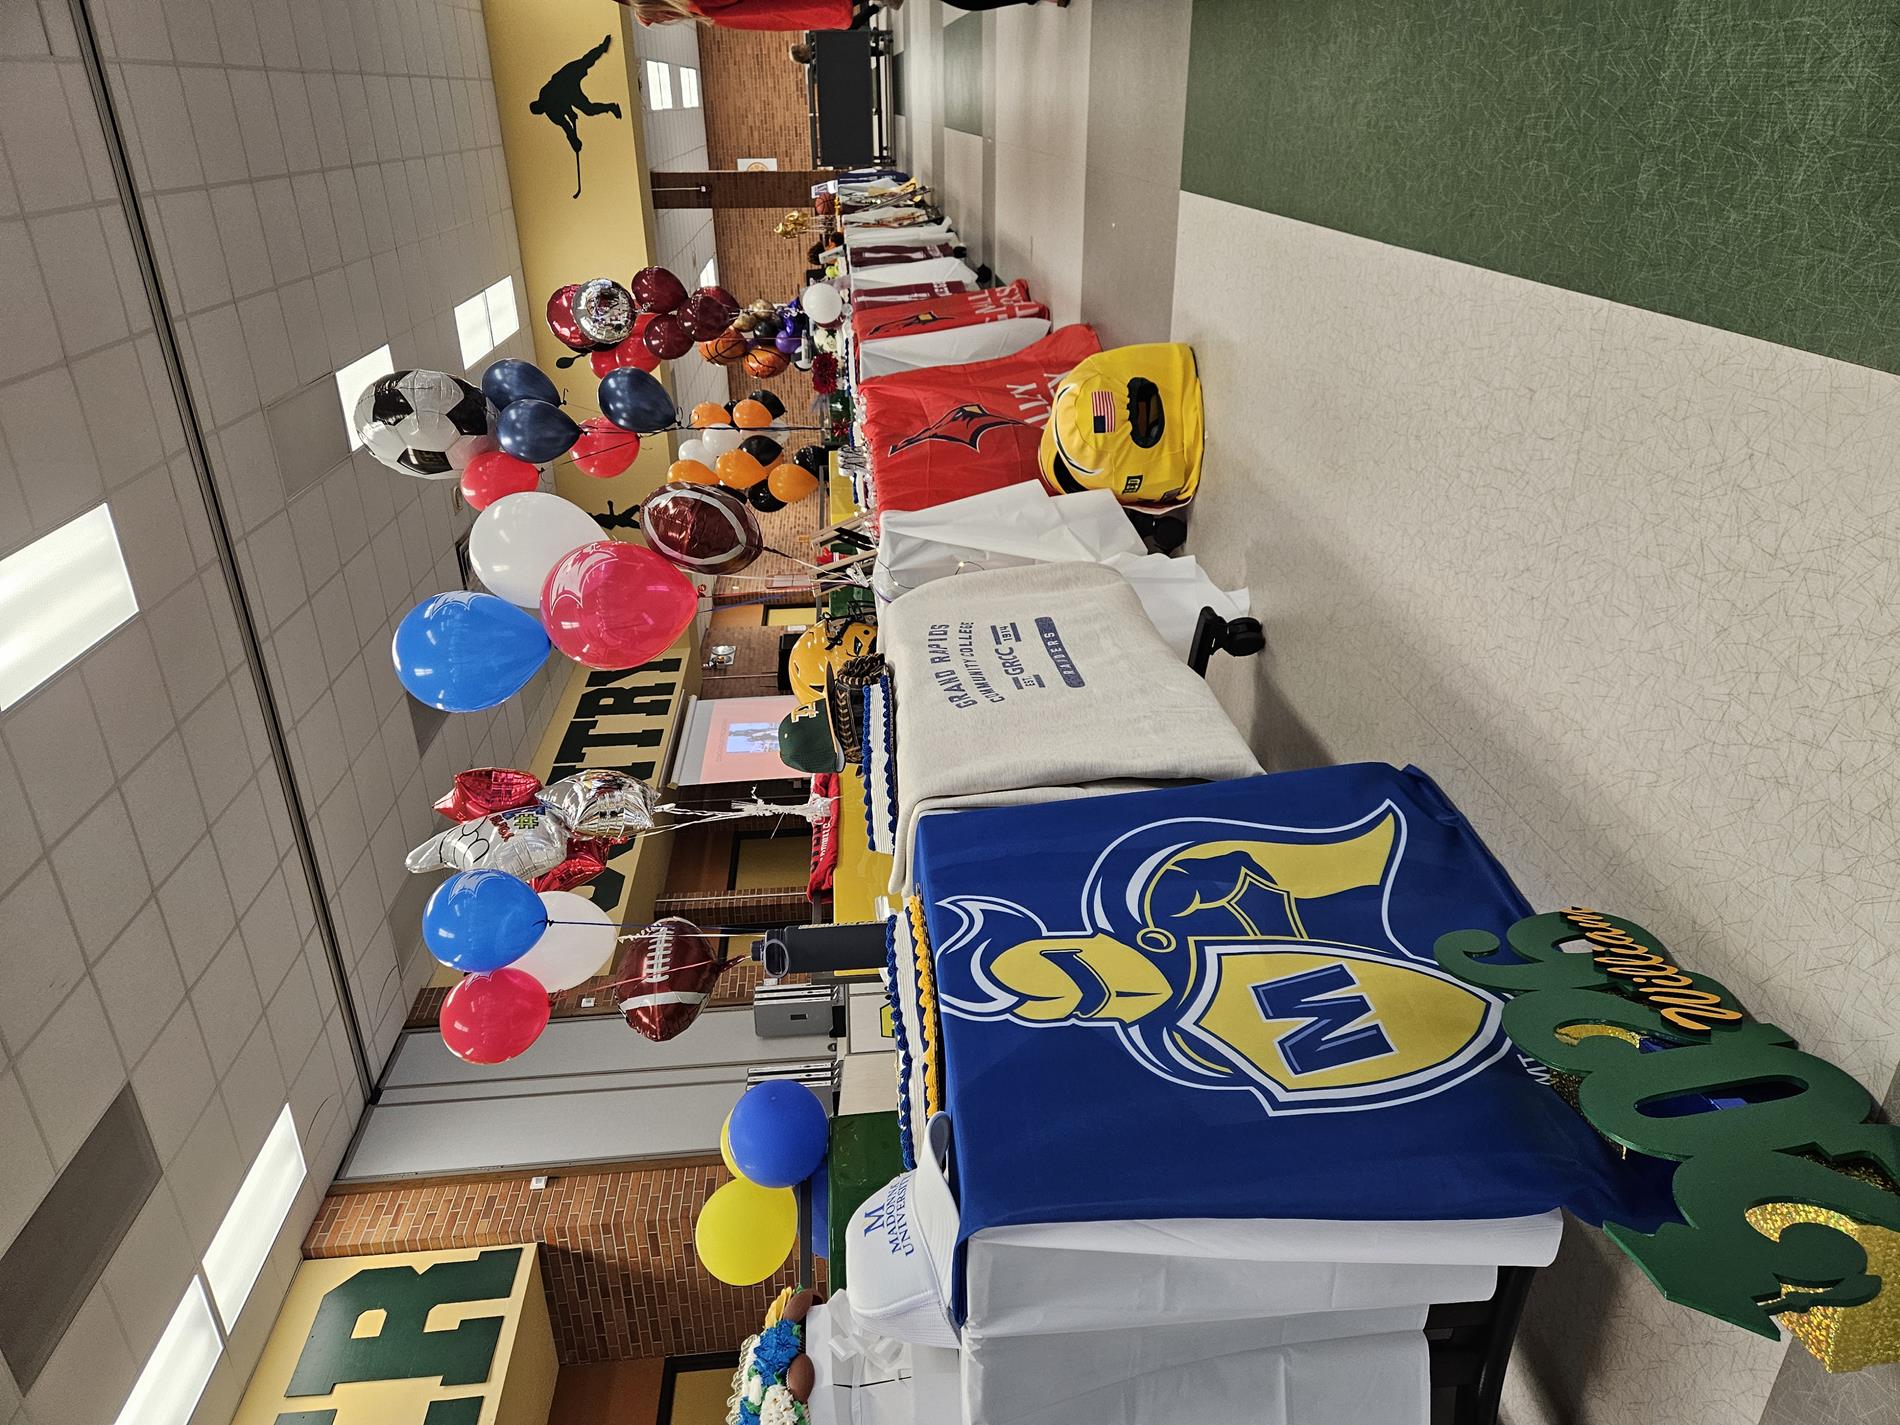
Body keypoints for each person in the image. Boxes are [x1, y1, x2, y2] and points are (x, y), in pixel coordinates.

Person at [528, 34, 623, 197]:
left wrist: (571, 114)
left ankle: (602, 47)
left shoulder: (545, 94)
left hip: (566, 78)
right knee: (588, 109)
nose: (543, 108)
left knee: (585, 61)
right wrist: (575, 142)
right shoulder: (551, 113)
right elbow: (566, 127)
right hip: (571, 93)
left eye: (540, 107)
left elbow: (560, 99)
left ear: (539, 103)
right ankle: (612, 107)